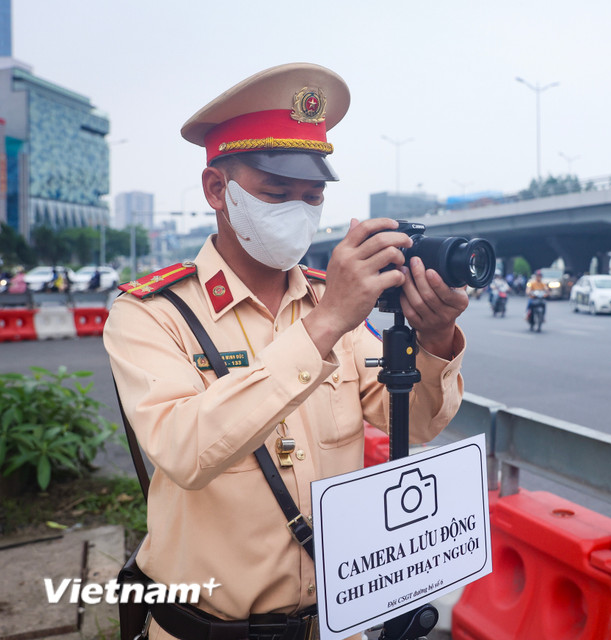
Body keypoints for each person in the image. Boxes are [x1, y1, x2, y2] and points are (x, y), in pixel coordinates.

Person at [103, 63, 468, 640]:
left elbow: (418, 421)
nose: (298, 210)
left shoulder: (331, 304)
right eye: (277, 193)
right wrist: (323, 326)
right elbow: (185, 449)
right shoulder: (153, 314)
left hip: (332, 625)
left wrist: (436, 337)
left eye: (312, 195)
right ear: (216, 190)